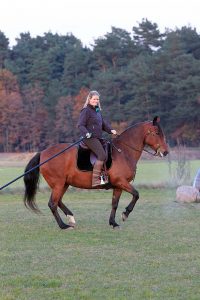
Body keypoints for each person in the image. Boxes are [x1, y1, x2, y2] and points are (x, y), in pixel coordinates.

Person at [77, 90, 117, 187]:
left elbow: (103, 124)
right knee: (102, 155)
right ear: (89, 99)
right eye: (94, 99)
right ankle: (95, 180)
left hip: (98, 137)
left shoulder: (97, 111)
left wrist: (111, 130)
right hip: (89, 138)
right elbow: (80, 125)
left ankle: (105, 178)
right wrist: (86, 133)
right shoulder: (86, 110)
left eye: (97, 99)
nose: (96, 101)